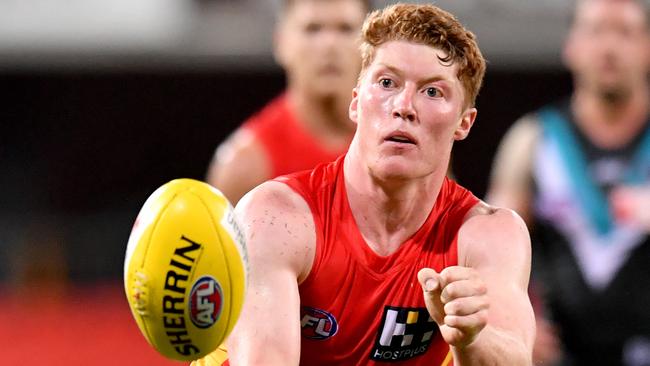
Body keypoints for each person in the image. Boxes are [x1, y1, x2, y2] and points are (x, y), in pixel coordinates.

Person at [219, 4, 535, 365]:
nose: (403, 106)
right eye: (387, 83)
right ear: (356, 103)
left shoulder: (489, 235)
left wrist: (471, 340)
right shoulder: (273, 218)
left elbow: (515, 356)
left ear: (464, 123)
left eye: (432, 92)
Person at [487, 0, 650, 364]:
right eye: (596, 31)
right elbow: (490, 250)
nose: (609, 47)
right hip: (560, 354)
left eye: (624, 32)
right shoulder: (532, 139)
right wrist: (514, 318)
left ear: (648, 47)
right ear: (571, 46)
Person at [205, 0, 368, 204]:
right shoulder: (244, 168)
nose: (330, 45)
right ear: (281, 43)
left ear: (370, 44)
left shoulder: (400, 146)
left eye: (346, 29)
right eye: (313, 29)